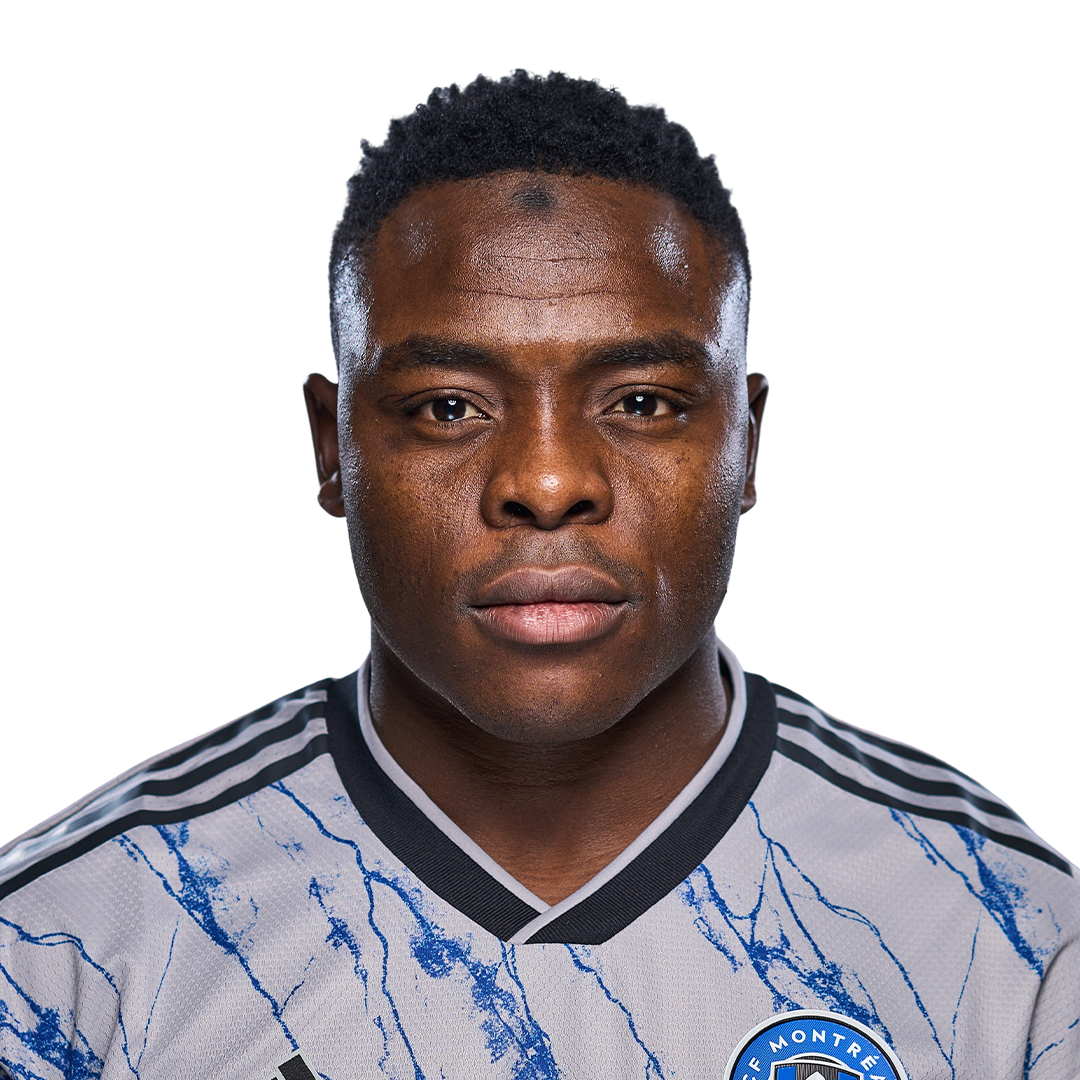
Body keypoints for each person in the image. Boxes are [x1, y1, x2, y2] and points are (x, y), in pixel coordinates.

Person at [0, 73, 1076, 1080]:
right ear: (333, 447)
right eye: (448, 406)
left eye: (643, 402)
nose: (549, 482)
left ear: (749, 443)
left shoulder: (1008, 942)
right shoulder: (68, 954)